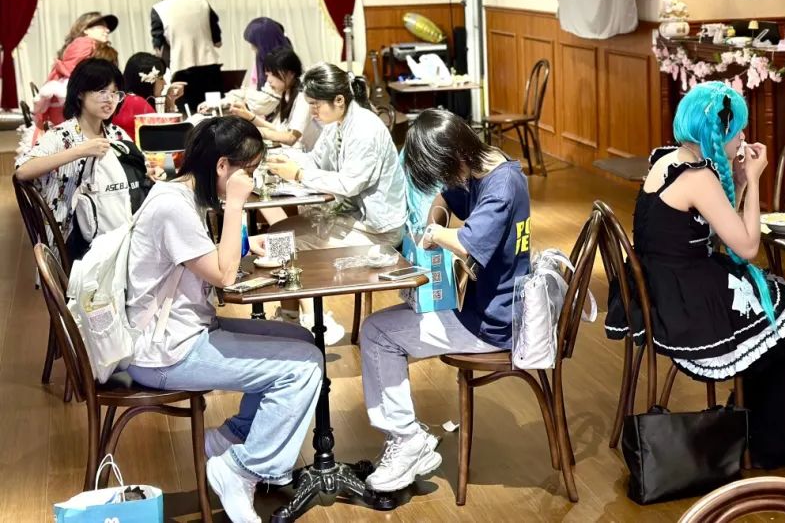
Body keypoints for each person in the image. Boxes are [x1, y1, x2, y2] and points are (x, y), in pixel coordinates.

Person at [605, 81, 785, 468]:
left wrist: (740, 180)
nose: (744, 137)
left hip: (662, 287)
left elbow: (718, 228)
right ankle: (771, 441)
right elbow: (746, 247)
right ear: (718, 133)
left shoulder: (669, 159)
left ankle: (752, 421)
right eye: (739, 130)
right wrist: (757, 179)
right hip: (687, 302)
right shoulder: (698, 176)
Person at [123, 117, 322, 523]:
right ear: (222, 166)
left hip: (183, 331)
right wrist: (235, 205)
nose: (252, 179)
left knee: (302, 339)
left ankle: (231, 438)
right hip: (165, 353)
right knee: (304, 367)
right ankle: (242, 469)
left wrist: (245, 242)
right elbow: (224, 275)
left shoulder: (181, 195)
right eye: (249, 170)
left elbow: (203, 260)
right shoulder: (172, 207)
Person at [358, 109, 531, 492]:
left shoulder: (501, 188)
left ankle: (407, 440)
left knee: (376, 334)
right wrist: (434, 219)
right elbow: (444, 197)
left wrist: (433, 234)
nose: (445, 180)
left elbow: (467, 243)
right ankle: (407, 438)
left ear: (453, 155)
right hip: (488, 307)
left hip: (493, 323)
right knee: (380, 329)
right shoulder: (486, 163)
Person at [265, 63, 406, 344]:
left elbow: (349, 183)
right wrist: (282, 159)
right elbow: (316, 159)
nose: (312, 111)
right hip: (354, 220)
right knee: (277, 233)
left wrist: (299, 174)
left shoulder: (365, 129)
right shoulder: (338, 124)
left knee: (288, 244)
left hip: (378, 232)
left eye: (315, 104)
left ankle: (317, 319)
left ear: (339, 100)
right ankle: (290, 319)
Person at [16, 58, 133, 247]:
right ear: (80, 93)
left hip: (114, 231)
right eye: (102, 91)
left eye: (115, 93)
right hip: (71, 238)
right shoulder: (61, 135)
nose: (110, 99)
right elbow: (22, 171)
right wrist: (79, 151)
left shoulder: (117, 134)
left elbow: (133, 174)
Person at [149, 0, 223, 113]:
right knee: (215, 111)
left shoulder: (159, 9)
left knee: (188, 114)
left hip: (182, 69)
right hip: (210, 68)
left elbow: (158, 47)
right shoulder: (202, 3)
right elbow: (217, 41)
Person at [33, 13, 119, 129]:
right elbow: (72, 69)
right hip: (69, 104)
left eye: (107, 27)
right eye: (101, 26)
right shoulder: (84, 42)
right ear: (86, 29)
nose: (107, 30)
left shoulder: (92, 46)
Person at [226, 48, 319, 150]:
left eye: (273, 74)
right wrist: (249, 116)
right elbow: (280, 130)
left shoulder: (303, 96)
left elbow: (291, 138)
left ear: (290, 73)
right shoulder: (287, 93)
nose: (269, 80)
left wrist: (257, 131)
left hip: (307, 153)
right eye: (267, 75)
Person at [242, 17, 291, 90]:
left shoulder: (285, 61)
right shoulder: (261, 58)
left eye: (255, 44)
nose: (252, 48)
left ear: (264, 43)